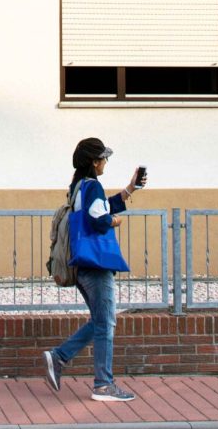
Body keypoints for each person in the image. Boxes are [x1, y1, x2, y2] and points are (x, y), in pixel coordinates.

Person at [43, 137, 146, 402]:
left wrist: (130, 189)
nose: (105, 163)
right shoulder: (92, 187)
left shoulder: (78, 186)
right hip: (97, 264)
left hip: (82, 263)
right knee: (106, 323)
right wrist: (115, 222)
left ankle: (60, 357)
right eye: (103, 158)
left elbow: (97, 208)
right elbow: (98, 219)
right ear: (93, 161)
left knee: (101, 320)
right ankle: (103, 385)